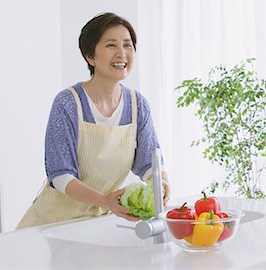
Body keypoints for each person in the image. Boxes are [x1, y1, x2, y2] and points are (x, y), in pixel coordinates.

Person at [17, 12, 170, 229]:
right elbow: (60, 174)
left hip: (96, 224)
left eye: (127, 45)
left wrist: (160, 183)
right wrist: (104, 200)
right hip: (50, 226)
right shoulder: (68, 103)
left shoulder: (138, 105)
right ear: (90, 56)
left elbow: (149, 162)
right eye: (111, 45)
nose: (122, 53)